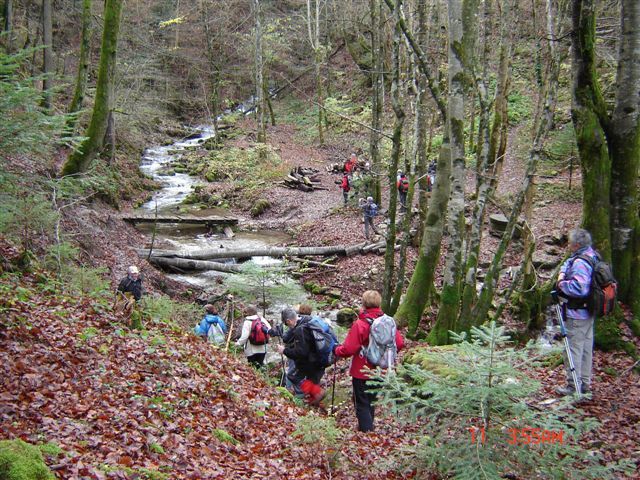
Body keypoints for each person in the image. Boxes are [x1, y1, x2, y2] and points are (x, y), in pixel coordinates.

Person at [334, 290, 404, 432]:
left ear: (364, 304)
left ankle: (366, 434)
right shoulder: (388, 321)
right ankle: (368, 429)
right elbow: (400, 343)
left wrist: (336, 350)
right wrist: (384, 354)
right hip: (381, 369)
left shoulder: (360, 324)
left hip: (362, 371)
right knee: (371, 401)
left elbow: (349, 349)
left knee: (362, 403)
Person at [555, 228, 597, 396]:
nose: (568, 245)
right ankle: (584, 384)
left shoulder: (580, 263)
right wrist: (564, 270)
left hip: (577, 314)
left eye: (570, 243)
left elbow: (579, 288)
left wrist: (561, 283)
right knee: (586, 349)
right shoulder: (591, 255)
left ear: (577, 244)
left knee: (573, 350)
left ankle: (573, 387)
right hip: (588, 313)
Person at [277, 304, 331, 405]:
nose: (288, 326)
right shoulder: (309, 319)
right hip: (320, 358)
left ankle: (316, 393)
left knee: (293, 377)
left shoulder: (299, 330)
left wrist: (284, 350)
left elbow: (301, 352)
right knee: (311, 380)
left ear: (289, 321)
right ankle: (312, 402)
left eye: (286, 324)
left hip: (311, 361)